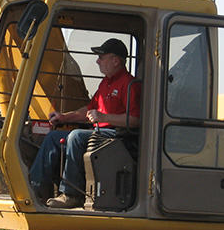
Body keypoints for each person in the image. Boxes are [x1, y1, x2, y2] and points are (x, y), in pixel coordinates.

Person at [29, 38, 141, 208]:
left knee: (76, 136)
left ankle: (71, 194)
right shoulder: (106, 83)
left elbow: (134, 120)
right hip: (100, 133)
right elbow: (89, 110)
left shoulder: (130, 84)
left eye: (101, 57)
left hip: (118, 136)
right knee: (53, 137)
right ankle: (33, 188)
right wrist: (64, 117)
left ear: (115, 61)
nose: (97, 61)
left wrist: (103, 118)